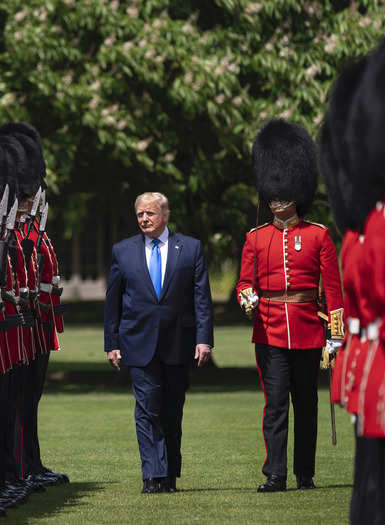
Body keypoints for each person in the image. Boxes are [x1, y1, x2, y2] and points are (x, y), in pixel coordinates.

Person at [236, 119, 344, 493]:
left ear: (296, 192)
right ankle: (276, 473)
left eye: (283, 193)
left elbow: (333, 289)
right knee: (276, 404)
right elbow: (245, 282)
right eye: (273, 193)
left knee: (307, 405)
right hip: (268, 329)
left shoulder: (318, 236)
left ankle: (305, 473)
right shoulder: (256, 238)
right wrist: (246, 296)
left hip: (309, 330)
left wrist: (336, 335)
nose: (276, 199)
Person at [104, 192, 214, 494]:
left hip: (179, 342)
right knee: (147, 408)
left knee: (171, 410)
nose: (144, 219)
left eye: (150, 213)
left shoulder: (190, 248)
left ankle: (169, 475)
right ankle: (152, 474)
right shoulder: (122, 251)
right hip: (137, 342)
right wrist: (111, 343)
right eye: (140, 214)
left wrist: (204, 340)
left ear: (165, 215)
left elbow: (201, 298)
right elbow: (112, 301)